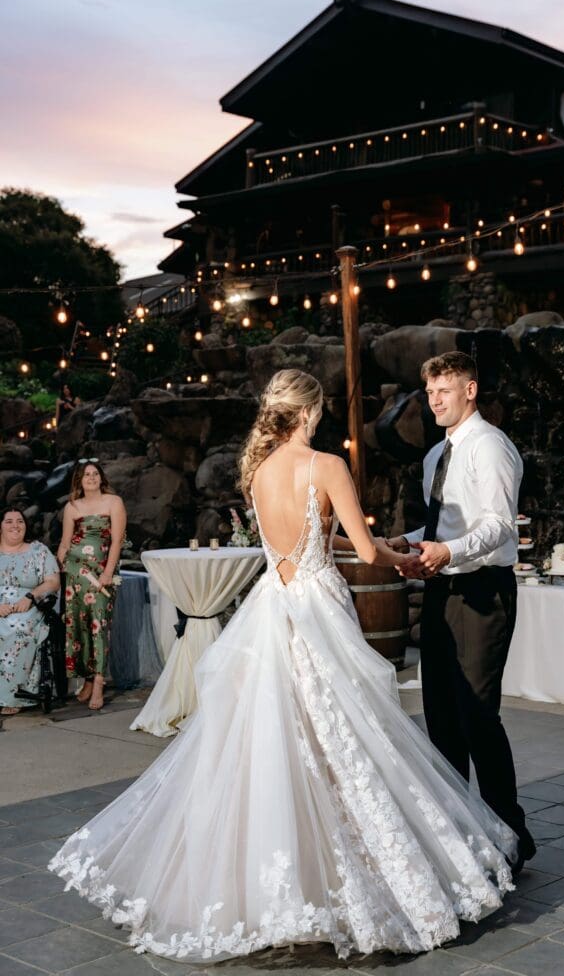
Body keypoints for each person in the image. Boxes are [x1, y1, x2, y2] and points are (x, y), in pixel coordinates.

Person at [49, 369, 517, 964]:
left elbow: (286, 547)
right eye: (319, 410)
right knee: (342, 737)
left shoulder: (258, 472)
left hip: (274, 606)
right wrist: (408, 560)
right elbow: (366, 549)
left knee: (277, 742)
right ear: (310, 412)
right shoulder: (326, 466)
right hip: (319, 608)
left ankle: (282, 884)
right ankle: (348, 875)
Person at [389, 351, 536, 876]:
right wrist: (401, 544)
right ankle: (461, 834)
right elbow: (440, 532)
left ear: (469, 391)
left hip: (482, 593)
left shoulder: (491, 446)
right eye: (428, 394)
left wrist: (448, 554)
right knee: (441, 718)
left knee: (477, 716)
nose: (433, 402)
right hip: (442, 591)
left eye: (443, 392)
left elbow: (500, 527)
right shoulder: (435, 456)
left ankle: (510, 838)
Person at [57, 460, 126, 711]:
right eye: (86, 474)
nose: (91, 477)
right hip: (75, 574)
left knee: (99, 625)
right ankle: (86, 680)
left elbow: (117, 540)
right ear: (79, 480)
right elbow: (65, 542)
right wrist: (62, 560)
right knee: (79, 627)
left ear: (101, 478)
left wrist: (108, 572)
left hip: (100, 576)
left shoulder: (114, 502)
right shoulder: (72, 507)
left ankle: (98, 682)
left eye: (95, 473)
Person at [0, 508, 60, 715]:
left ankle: (12, 696)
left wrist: (30, 597)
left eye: (20, 521)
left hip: (28, 605)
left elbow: (53, 582)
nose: (15, 525)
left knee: (18, 630)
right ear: (0, 526)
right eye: (9, 521)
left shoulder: (38, 551)